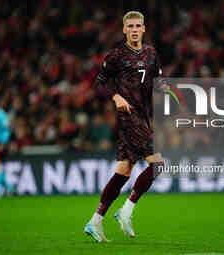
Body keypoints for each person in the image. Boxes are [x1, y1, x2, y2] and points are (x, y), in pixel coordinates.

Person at [84, 11, 165, 242]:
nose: (135, 29)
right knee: (158, 165)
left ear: (144, 28)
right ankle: (126, 211)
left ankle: (95, 221)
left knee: (123, 171)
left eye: (138, 25)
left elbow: (158, 82)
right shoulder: (117, 55)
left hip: (144, 116)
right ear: (124, 30)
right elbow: (99, 83)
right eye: (130, 26)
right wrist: (115, 96)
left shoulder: (151, 53)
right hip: (129, 117)